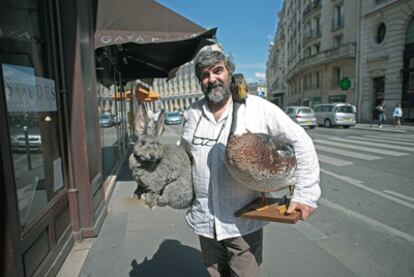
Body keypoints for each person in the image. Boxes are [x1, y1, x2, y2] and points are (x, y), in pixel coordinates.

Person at [180, 49, 321, 277]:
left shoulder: (257, 107)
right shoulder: (192, 114)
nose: (212, 79)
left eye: (218, 71)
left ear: (230, 73)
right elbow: (185, 157)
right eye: (205, 75)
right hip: (205, 221)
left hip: (242, 221)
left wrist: (305, 194)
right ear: (200, 81)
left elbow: (301, 140)